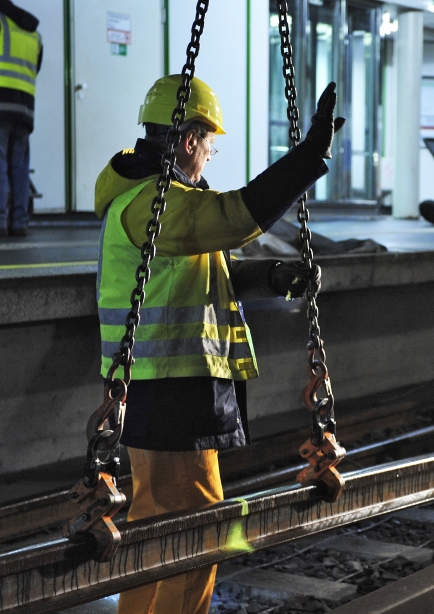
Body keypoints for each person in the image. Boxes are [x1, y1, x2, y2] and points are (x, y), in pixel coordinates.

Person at [96, 75, 343, 614]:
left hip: (162, 388)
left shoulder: (158, 202)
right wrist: (307, 159)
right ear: (189, 141)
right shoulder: (155, 203)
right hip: (172, 391)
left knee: (153, 527)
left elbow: (214, 266)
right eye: (210, 145)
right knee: (202, 529)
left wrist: (273, 276)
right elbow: (236, 217)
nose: (210, 156)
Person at [0, 0, 40, 237]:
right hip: (25, 108)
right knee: (19, 166)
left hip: (1, 103)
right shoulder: (33, 32)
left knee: (1, 162)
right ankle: (19, 222)